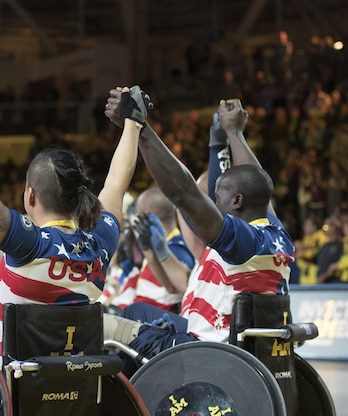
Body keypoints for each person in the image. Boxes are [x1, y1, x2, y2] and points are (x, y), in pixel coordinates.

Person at [0, 75, 150, 363]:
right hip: (73, 388)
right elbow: (117, 183)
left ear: (30, 197)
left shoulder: (28, 243)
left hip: (7, 390)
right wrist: (133, 122)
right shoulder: (100, 244)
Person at [103, 96, 294, 357]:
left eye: (218, 198)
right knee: (137, 312)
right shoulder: (276, 234)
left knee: (105, 327)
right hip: (229, 340)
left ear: (237, 201)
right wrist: (229, 136)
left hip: (207, 351)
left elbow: (185, 193)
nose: (214, 205)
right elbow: (256, 183)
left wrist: (141, 127)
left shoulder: (245, 243)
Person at [113, 187, 195, 313]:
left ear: (146, 215)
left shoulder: (177, 248)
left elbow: (178, 287)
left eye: (138, 215)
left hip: (155, 322)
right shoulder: (157, 245)